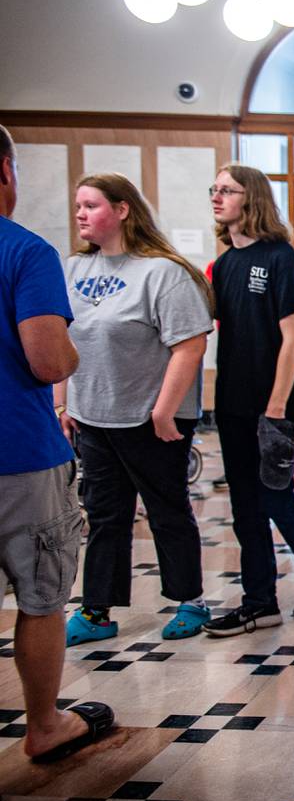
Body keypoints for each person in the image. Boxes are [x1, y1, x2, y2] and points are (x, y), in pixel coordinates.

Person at [57, 173, 214, 645]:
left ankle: (191, 601)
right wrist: (63, 402)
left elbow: (190, 346)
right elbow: (61, 339)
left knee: (167, 509)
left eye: (91, 205)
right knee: (104, 513)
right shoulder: (74, 269)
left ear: (123, 209)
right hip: (94, 415)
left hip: (152, 418)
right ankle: (97, 611)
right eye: (78, 206)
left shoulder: (162, 272)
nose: (81, 214)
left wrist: (165, 411)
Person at [0, 124, 114, 761]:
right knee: (41, 597)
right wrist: (71, 349)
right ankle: (43, 725)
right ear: (7, 173)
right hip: (17, 455)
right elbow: (48, 361)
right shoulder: (26, 251)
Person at [202, 163, 294, 637]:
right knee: (244, 504)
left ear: (252, 198)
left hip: (272, 403)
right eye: (215, 189)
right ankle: (259, 602)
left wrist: (278, 406)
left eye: (229, 190)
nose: (218, 197)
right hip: (232, 399)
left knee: (273, 495)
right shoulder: (224, 263)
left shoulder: (280, 257)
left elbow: (293, 337)